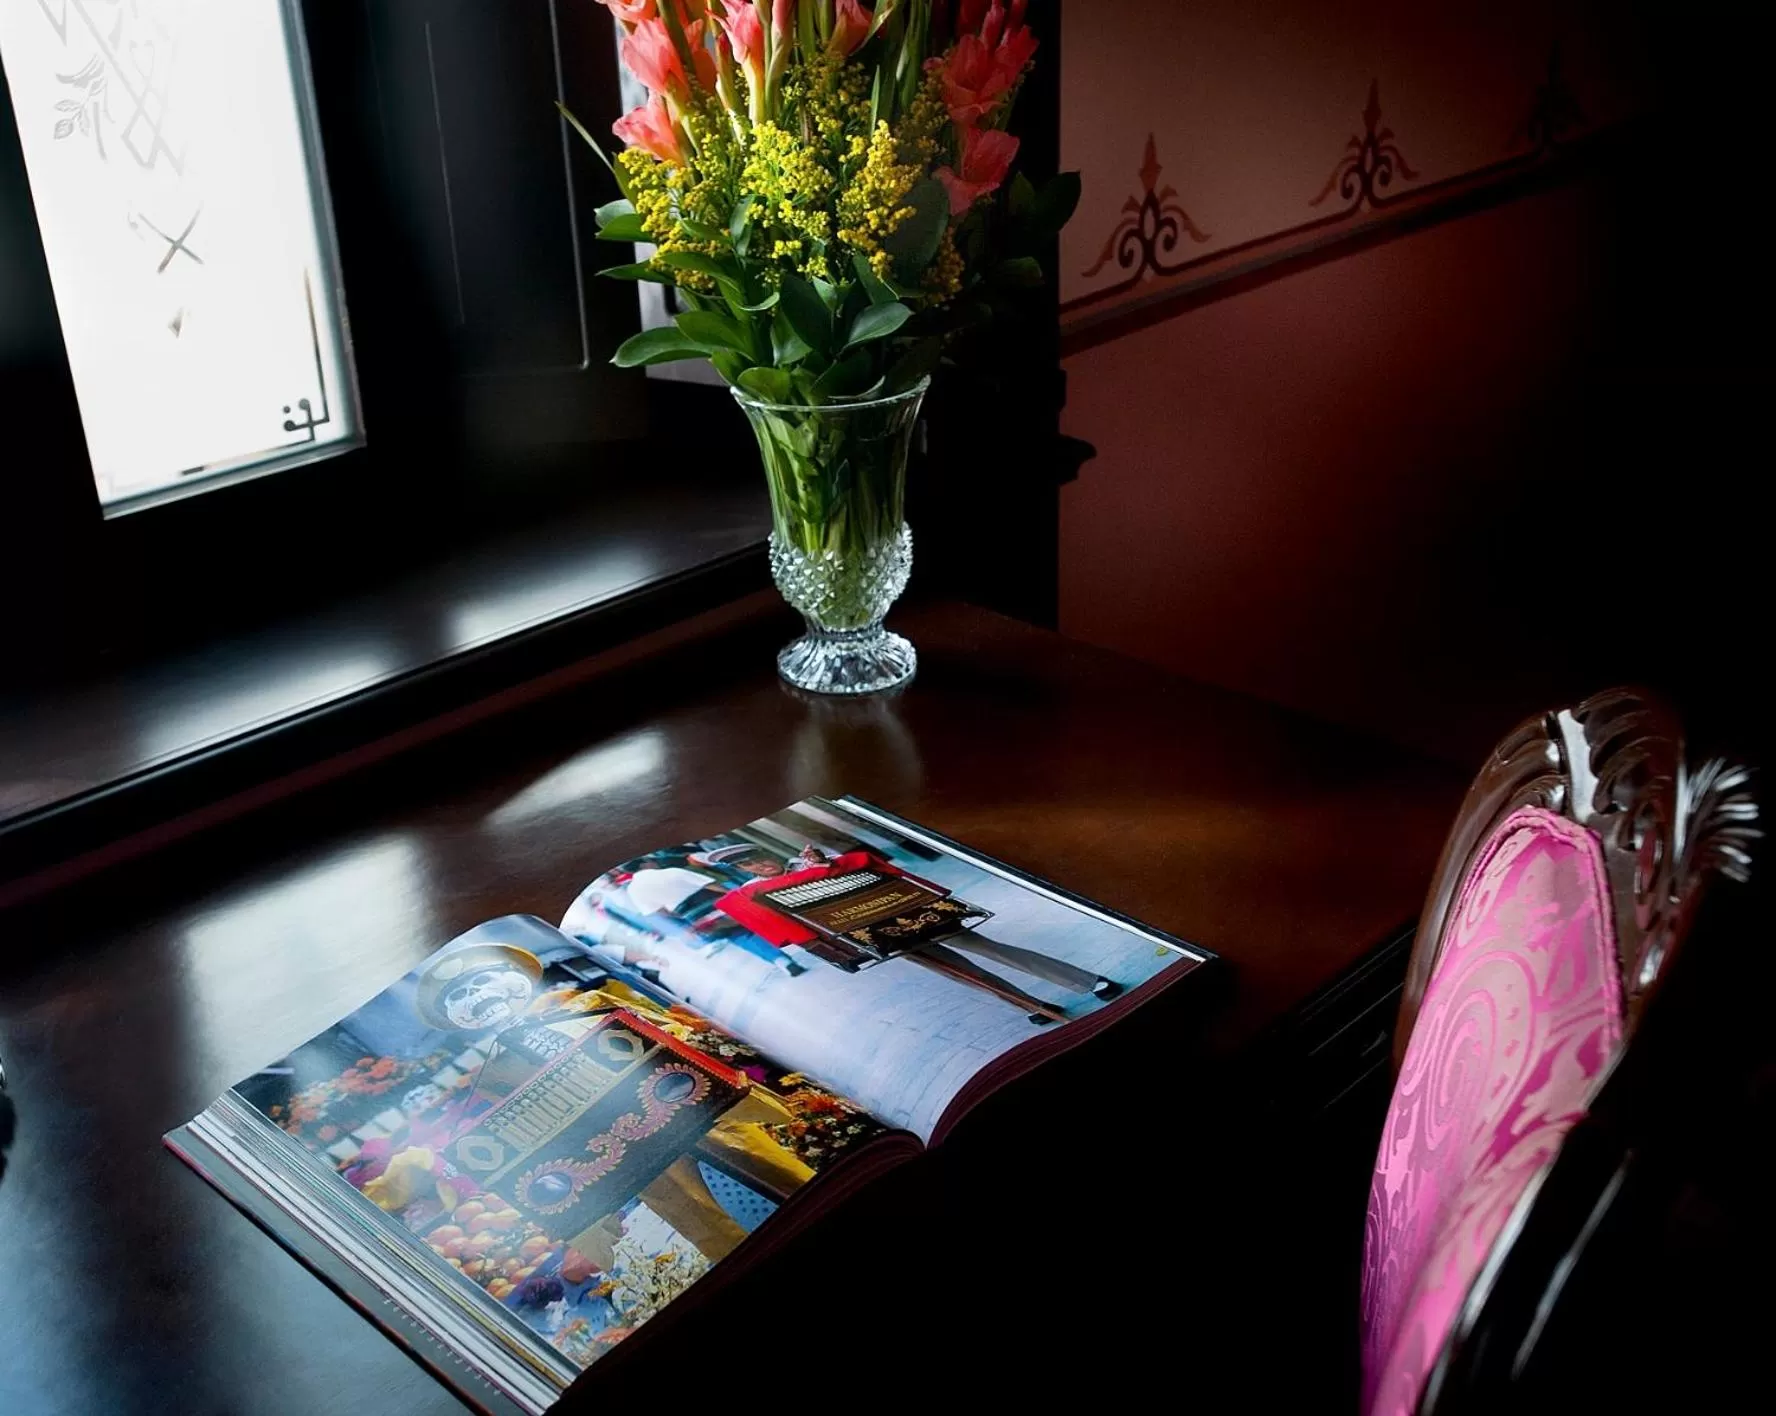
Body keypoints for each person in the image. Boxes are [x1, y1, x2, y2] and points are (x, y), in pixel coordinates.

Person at [715, 844, 1122, 1023]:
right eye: (751, 867)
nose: (759, 867)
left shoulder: (810, 860)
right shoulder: (757, 894)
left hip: (913, 915)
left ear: (766, 854)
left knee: (992, 950)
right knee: (962, 973)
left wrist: (823, 864)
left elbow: (863, 866)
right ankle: (1029, 1004)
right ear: (746, 871)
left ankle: (1089, 982)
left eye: (759, 859)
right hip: (874, 935)